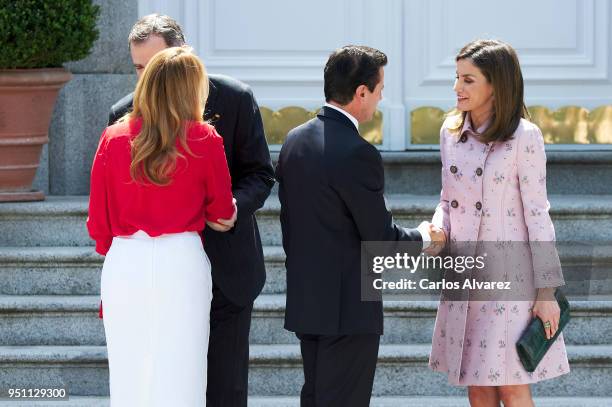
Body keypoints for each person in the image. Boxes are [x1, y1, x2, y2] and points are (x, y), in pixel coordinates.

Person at [107, 14, 275, 406]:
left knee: (224, 386)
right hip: (158, 277)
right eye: (139, 69)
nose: (149, 79)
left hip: (226, 268)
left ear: (183, 55)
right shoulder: (122, 115)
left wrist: (234, 208)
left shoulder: (233, 98)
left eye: (157, 65)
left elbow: (260, 175)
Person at [276, 45, 445, 407]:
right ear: (361, 92)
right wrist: (425, 236)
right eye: (380, 90)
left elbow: (291, 225)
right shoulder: (357, 152)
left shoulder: (293, 141)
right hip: (348, 309)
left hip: (308, 301)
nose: (381, 99)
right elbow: (381, 239)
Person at [88, 46, 235, 406]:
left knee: (128, 373)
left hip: (126, 258)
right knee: (183, 370)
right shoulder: (205, 137)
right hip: (181, 258)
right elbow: (221, 212)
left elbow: (98, 221)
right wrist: (223, 216)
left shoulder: (113, 137)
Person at [428, 39, 569, 407]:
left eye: (468, 80)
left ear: (496, 85)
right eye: (457, 78)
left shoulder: (524, 137)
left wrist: (546, 292)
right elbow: (447, 199)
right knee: (477, 387)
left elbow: (538, 214)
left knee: (512, 386)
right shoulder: (450, 132)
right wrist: (436, 228)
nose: (457, 88)